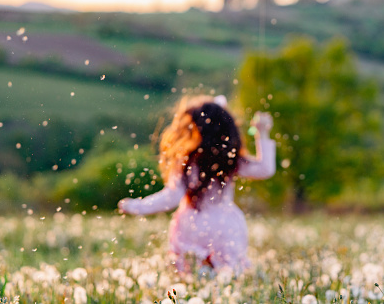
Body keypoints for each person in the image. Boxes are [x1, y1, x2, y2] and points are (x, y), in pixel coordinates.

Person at [118, 95, 275, 274]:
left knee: (191, 275)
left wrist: (136, 206)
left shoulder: (187, 162)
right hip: (225, 227)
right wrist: (262, 133)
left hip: (192, 225)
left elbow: (170, 198)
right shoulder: (229, 160)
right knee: (226, 277)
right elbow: (265, 169)